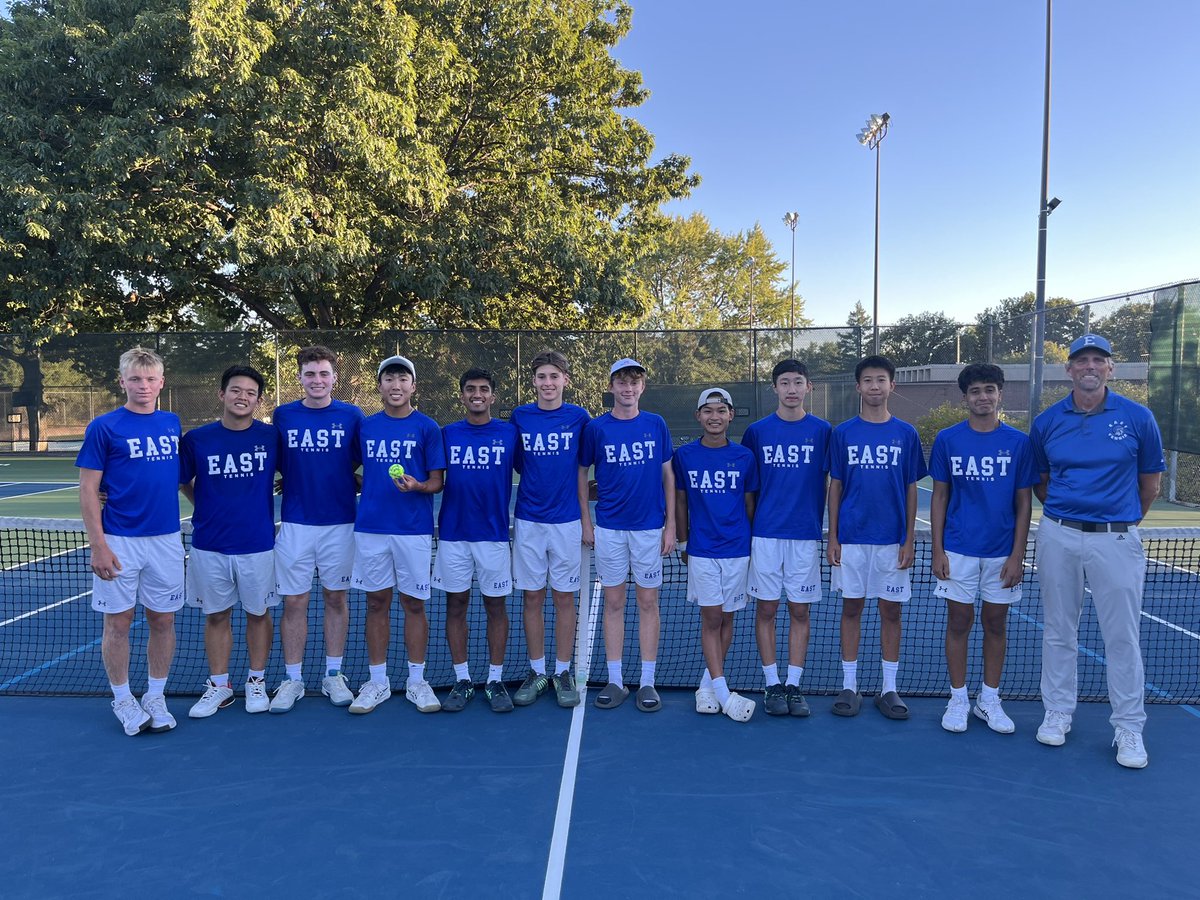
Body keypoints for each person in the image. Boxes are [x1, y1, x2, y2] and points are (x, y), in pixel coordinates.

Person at [1030, 334, 1165, 768]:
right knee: (1058, 629)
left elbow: (1150, 485)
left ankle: (1129, 727)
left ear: (1111, 368)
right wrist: (1072, 517)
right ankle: (1057, 712)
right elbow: (1042, 481)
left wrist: (1117, 522)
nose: (1090, 366)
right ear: (1068, 369)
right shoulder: (1048, 421)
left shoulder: (1138, 417)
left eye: (1098, 360)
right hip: (1058, 534)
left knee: (1122, 636)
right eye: (1081, 360)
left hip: (1117, 539)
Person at [76, 347, 184, 735]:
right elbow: (88, 489)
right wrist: (98, 544)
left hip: (167, 540)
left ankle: (156, 695)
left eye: (150, 379)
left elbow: (181, 478)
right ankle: (122, 698)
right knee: (118, 623)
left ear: (161, 382)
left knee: (163, 619)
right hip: (120, 540)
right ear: (121, 381)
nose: (143, 385)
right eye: (135, 379)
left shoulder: (172, 422)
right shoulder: (104, 426)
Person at [929, 363, 1037, 734]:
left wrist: (1017, 555)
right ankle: (958, 698)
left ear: (1000, 394)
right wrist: (938, 550)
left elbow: (1025, 502)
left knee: (995, 623)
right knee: (958, 621)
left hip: (1001, 552)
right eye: (975, 391)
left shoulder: (1019, 443)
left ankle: (989, 700)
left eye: (989, 389)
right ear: (965, 397)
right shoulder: (948, 439)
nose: (983, 397)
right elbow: (940, 496)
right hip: (958, 549)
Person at [827, 354, 927, 720]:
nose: (874, 386)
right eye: (867, 380)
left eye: (880, 380)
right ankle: (850, 686)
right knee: (851, 608)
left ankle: (889, 688)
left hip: (892, 541)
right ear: (858, 387)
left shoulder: (906, 433)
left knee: (891, 612)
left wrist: (909, 538)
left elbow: (911, 487)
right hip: (852, 539)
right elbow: (835, 487)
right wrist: (833, 536)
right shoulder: (843, 433)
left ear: (892, 386)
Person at [180, 365, 280, 718]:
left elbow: (302, 471)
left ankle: (256, 681)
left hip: (257, 545)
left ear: (258, 400)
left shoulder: (271, 437)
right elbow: (179, 480)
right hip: (209, 545)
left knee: (258, 613)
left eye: (250, 393)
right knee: (216, 616)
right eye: (236, 390)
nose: (243, 397)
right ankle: (220, 686)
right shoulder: (197, 440)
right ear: (222, 395)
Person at [348, 355, 445, 714]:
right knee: (375, 603)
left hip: (412, 531)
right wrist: (367, 484)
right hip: (371, 530)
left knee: (414, 604)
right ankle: (377, 682)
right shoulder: (366, 427)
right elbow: (349, 468)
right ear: (380, 386)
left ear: (413, 387)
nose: (396, 385)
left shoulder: (427, 427)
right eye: (389, 379)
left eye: (403, 379)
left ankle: (417, 681)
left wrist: (418, 485)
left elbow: (437, 481)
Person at [270, 346, 364, 712]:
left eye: (324, 374)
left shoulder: (352, 416)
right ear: (299, 378)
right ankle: (292, 679)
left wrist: (350, 476)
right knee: (294, 602)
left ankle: (333, 675)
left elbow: (361, 455)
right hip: (295, 524)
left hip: (341, 524)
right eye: (310, 374)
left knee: (336, 599)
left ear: (335, 378)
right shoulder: (283, 415)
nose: (317, 381)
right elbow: (276, 458)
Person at [579, 358, 676, 712]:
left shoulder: (656, 424)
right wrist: (586, 522)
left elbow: (668, 476)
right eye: (621, 382)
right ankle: (616, 680)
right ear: (611, 387)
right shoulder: (596, 428)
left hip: (650, 530)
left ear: (642, 387)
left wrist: (672, 526)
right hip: (609, 529)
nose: (628, 388)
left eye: (634, 382)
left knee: (649, 603)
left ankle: (647, 683)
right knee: (615, 602)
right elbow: (582, 474)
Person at [742, 359, 831, 717]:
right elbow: (749, 489)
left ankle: (794, 684)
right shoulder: (757, 432)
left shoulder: (824, 431)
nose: (791, 389)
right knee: (766, 608)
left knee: (799, 609)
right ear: (775, 388)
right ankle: (771, 684)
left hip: (805, 536)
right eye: (784, 383)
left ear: (808, 387)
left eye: (798, 382)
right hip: (765, 536)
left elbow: (833, 483)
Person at [434, 368, 519, 713]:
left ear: (493, 396)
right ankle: (463, 679)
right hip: (453, 535)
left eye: (484, 389)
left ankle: (495, 680)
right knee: (455, 605)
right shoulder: (447, 434)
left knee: (495, 607)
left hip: (494, 536)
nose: (477, 394)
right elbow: (434, 479)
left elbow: (536, 472)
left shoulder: (510, 434)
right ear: (462, 395)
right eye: (470, 389)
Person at [510, 350, 590, 708]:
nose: (547, 383)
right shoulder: (520, 416)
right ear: (534, 381)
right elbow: (514, 464)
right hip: (528, 521)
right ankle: (537, 670)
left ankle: (562, 670)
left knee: (564, 597)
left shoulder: (579, 418)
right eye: (541, 377)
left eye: (554, 377)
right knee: (532, 597)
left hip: (567, 522)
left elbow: (585, 467)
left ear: (565, 381)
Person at [675, 388, 759, 723]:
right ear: (699, 416)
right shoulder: (684, 456)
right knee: (711, 618)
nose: (714, 416)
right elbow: (680, 502)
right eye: (708, 411)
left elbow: (749, 505)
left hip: (738, 550)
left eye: (721, 410)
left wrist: (747, 543)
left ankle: (706, 686)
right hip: (703, 550)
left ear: (730, 415)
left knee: (727, 619)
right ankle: (724, 694)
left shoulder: (744, 457)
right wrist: (683, 542)